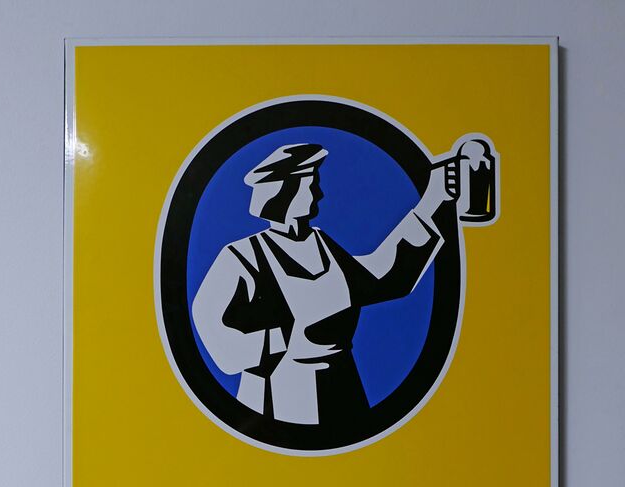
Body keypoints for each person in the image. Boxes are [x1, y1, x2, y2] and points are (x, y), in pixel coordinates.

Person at [192, 143, 456, 427]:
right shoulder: (244, 257)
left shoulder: (322, 243)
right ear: (285, 191)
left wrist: (431, 203)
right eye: (311, 184)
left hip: (342, 389)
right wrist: (282, 339)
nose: (320, 193)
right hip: (279, 396)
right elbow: (210, 325)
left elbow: (380, 278)